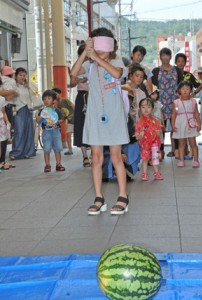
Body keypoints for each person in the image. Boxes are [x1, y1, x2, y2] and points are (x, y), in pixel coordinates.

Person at [71, 27, 129, 216]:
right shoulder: (90, 65)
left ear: (111, 48)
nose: (100, 52)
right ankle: (99, 197)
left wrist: (96, 57)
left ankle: (123, 197)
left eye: (103, 49)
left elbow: (118, 74)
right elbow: (73, 73)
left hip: (114, 116)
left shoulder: (117, 61)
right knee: (96, 157)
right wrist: (85, 53)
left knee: (116, 156)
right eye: (96, 48)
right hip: (95, 116)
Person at [149, 47, 183, 158]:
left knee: (175, 125)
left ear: (170, 56)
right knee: (160, 127)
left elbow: (182, 86)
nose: (165, 57)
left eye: (167, 55)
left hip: (174, 101)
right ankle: (160, 150)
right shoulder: (156, 71)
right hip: (160, 102)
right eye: (163, 55)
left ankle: (176, 150)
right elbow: (152, 86)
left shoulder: (177, 70)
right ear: (160, 57)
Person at [175, 53, 202, 160]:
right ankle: (177, 151)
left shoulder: (188, 75)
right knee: (179, 126)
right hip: (178, 104)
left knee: (190, 126)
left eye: (183, 61)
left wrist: (193, 94)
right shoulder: (173, 74)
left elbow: (199, 86)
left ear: (185, 63)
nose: (181, 63)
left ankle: (190, 153)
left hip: (189, 104)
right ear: (176, 62)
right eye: (178, 61)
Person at [70, 41, 91, 166]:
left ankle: (95, 152)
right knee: (81, 125)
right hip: (82, 95)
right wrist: (78, 80)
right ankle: (85, 156)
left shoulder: (93, 64)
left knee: (93, 124)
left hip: (93, 96)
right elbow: (71, 83)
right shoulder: (79, 66)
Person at [172, 81, 201, 167]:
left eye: (187, 89)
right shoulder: (176, 102)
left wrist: (199, 124)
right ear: (179, 90)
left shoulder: (193, 102)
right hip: (180, 124)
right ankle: (181, 160)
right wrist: (173, 125)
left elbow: (196, 113)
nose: (185, 91)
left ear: (191, 91)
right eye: (183, 89)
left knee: (193, 143)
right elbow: (173, 114)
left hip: (191, 124)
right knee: (181, 144)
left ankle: (196, 160)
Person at [9, 67, 36, 160]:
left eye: (24, 75)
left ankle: (28, 152)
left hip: (28, 110)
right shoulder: (13, 86)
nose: (22, 77)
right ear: (16, 76)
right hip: (18, 110)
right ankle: (16, 152)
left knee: (29, 131)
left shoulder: (26, 86)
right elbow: (10, 98)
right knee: (19, 131)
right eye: (20, 75)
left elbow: (33, 96)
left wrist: (28, 86)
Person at [36, 90, 65, 172]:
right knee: (46, 148)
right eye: (44, 99)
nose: (46, 100)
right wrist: (40, 117)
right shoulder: (42, 111)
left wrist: (57, 121)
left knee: (58, 148)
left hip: (56, 131)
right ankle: (47, 165)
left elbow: (62, 119)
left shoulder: (57, 110)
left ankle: (58, 164)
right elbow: (38, 121)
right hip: (46, 132)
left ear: (54, 100)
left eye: (49, 98)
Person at [135, 98, 164, 180]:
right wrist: (140, 135)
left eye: (148, 107)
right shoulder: (139, 121)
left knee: (155, 158)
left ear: (152, 108)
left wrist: (157, 132)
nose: (146, 109)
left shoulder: (155, 120)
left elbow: (158, 131)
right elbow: (137, 134)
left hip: (154, 143)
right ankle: (144, 173)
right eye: (143, 107)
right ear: (140, 108)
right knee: (145, 158)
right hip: (145, 143)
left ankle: (156, 172)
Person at [52, 87, 75, 155]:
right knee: (68, 134)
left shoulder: (65, 100)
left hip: (75, 119)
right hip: (70, 121)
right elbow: (63, 115)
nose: (55, 96)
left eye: (56, 94)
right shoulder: (58, 105)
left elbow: (73, 106)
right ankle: (70, 149)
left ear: (60, 94)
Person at [0, 89, 11, 171]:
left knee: (4, 140)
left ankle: (2, 161)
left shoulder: (2, 99)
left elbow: (3, 112)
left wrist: (7, 122)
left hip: (1, 122)